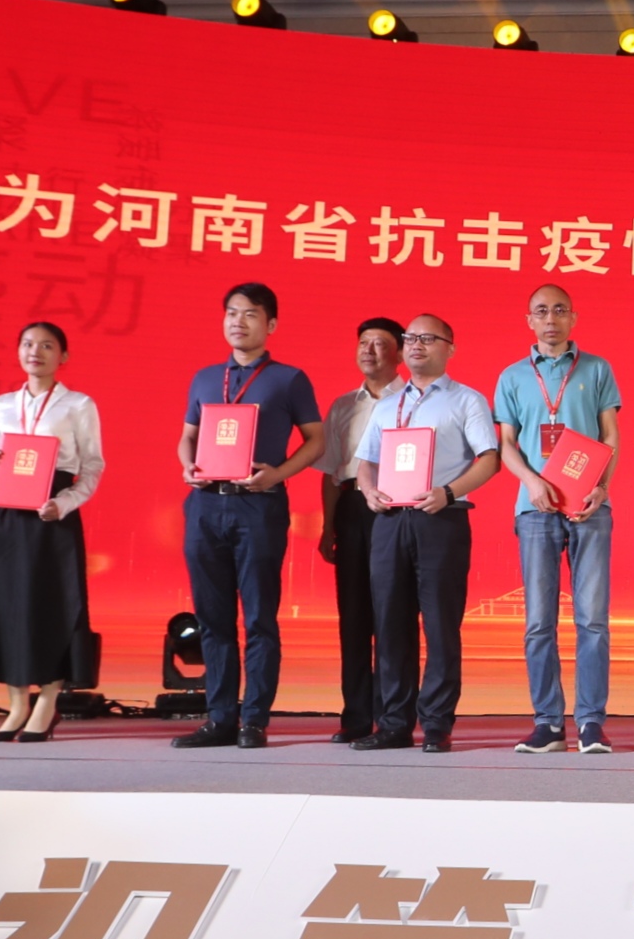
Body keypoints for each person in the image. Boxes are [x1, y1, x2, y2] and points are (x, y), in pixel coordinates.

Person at [173, 282, 325, 750]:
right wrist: (187, 465)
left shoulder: (289, 379)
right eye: (231, 313)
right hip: (205, 505)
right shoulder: (204, 378)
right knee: (212, 618)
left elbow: (316, 441)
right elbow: (188, 436)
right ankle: (220, 717)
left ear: (271, 324)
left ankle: (253, 720)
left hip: (258, 504)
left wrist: (277, 474)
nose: (238, 321)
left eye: (250, 314)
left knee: (259, 616)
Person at [347, 315, 500, 751]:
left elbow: (489, 459)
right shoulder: (387, 405)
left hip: (440, 519)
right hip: (389, 521)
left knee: (440, 625)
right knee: (390, 624)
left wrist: (448, 493)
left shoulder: (466, 400)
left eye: (428, 338)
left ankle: (436, 724)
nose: (416, 345)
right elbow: (366, 462)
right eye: (410, 338)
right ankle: (394, 723)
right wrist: (369, 491)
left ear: (450, 348)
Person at [0, 321, 103, 743]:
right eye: (28, 344)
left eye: (47, 345)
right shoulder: (1, 405)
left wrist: (65, 503)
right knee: (6, 606)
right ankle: (17, 705)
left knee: (52, 606)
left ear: (63, 356)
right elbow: (1, 464)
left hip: (52, 514)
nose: (36, 351)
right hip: (6, 515)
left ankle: (47, 702)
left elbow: (93, 465)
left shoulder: (78, 404)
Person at [495, 284, 623, 754]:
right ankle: (548, 723)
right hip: (536, 509)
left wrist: (602, 487)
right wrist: (531, 481)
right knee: (538, 622)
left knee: (593, 620)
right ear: (529, 320)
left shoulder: (596, 368)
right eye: (541, 311)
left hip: (588, 507)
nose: (551, 319)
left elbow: (610, 435)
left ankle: (590, 722)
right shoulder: (512, 376)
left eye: (560, 310)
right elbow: (506, 443)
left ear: (574, 317)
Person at [317, 317, 410, 744]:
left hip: (395, 508)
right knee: (353, 616)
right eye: (363, 343)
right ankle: (356, 715)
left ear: (400, 352)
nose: (369, 351)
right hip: (352, 509)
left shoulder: (413, 400)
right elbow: (330, 473)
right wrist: (328, 526)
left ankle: (394, 715)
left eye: (380, 343)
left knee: (394, 614)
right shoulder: (342, 406)